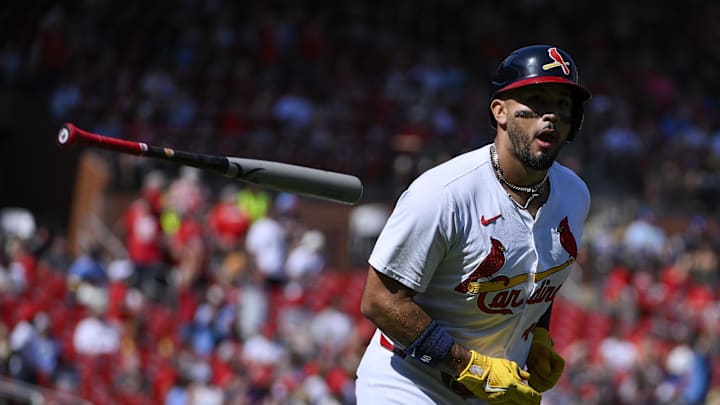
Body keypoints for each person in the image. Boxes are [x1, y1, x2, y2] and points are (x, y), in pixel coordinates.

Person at [355, 44, 592, 404]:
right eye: (538, 100)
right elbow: (380, 301)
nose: (551, 116)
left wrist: (537, 335)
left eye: (563, 104)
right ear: (500, 111)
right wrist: (472, 368)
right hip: (410, 384)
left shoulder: (575, 195)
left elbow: (536, 279)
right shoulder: (444, 194)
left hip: (496, 393)